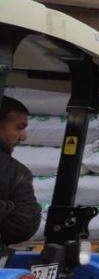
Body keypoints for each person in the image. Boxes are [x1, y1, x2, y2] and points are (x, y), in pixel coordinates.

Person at [0, 97, 41, 245]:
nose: (23, 136)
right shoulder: (15, 172)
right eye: (19, 128)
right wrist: (8, 208)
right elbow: (23, 225)